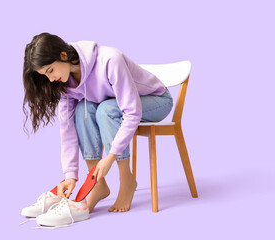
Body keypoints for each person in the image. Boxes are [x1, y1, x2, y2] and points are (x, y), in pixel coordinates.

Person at [22, 32, 173, 213]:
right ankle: (97, 183)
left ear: (63, 55)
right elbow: (67, 128)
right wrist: (70, 175)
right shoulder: (63, 83)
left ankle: (127, 181)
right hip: (115, 105)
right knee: (81, 111)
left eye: (50, 71)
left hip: (156, 100)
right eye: (46, 75)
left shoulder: (110, 59)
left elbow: (132, 112)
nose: (51, 79)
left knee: (106, 110)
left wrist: (110, 156)